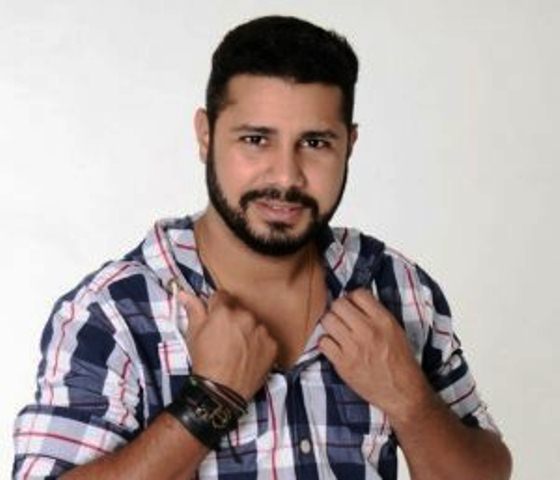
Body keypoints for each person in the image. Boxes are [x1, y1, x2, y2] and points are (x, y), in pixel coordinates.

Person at [13, 15, 512, 480]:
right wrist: (209, 401)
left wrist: (409, 401)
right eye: (256, 139)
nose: (286, 176)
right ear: (205, 135)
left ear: (350, 145)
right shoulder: (114, 312)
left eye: (315, 143)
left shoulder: (395, 286)